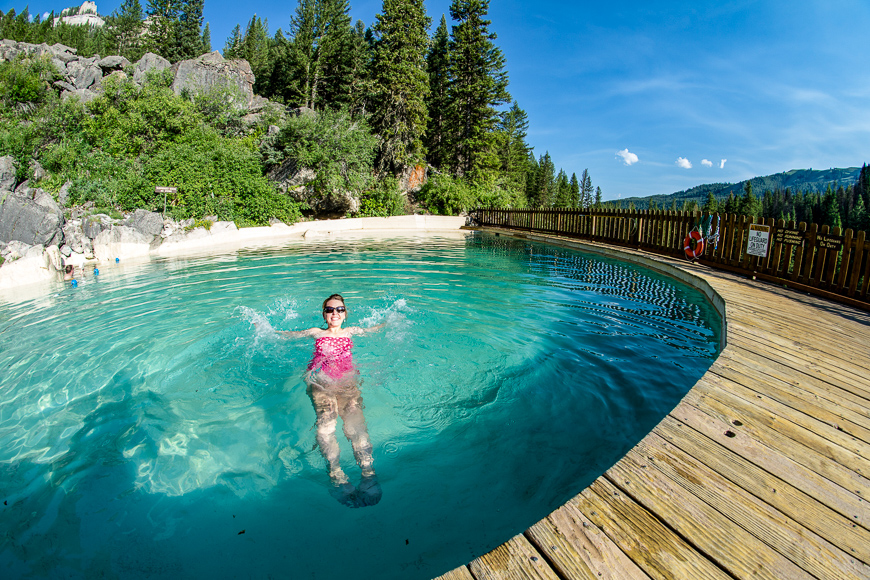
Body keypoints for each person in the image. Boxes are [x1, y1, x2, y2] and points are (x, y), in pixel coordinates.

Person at [279, 294, 385, 507]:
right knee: (325, 426)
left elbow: (374, 330)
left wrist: (391, 321)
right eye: (329, 310)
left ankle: (368, 474)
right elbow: (289, 336)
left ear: (345, 314)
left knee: (357, 428)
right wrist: (264, 330)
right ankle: (336, 473)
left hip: (347, 385)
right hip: (321, 384)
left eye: (339, 309)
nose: (335, 313)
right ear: (324, 314)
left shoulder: (351, 331)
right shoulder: (316, 332)